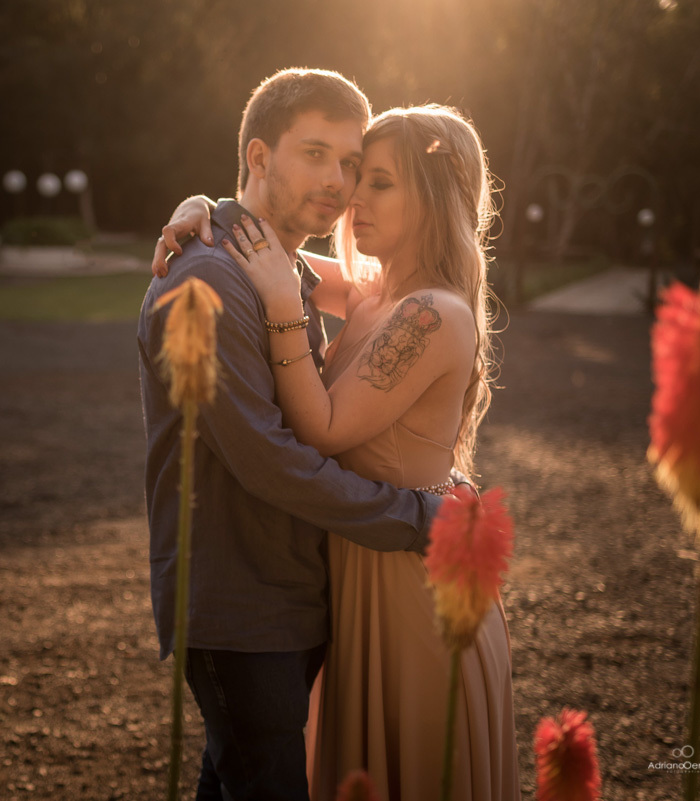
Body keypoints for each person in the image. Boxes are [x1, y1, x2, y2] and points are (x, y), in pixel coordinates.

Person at [155, 104, 519, 800]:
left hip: (410, 583)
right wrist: (208, 205)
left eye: (378, 181)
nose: (353, 197)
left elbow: (320, 427)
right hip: (361, 562)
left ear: (433, 195)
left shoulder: (430, 313)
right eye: (358, 175)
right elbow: (269, 242)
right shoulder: (379, 293)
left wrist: (282, 302)